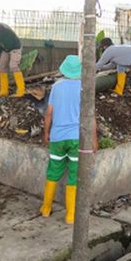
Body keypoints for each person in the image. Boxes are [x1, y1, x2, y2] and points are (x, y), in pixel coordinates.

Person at [39, 55, 97, 225]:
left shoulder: (56, 87)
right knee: (74, 175)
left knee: (53, 173)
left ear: (63, 69)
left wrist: (46, 133)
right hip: (77, 140)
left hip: (57, 138)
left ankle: (46, 208)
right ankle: (70, 215)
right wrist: (94, 140)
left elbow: (48, 113)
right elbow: (91, 116)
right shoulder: (84, 89)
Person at [96, 38, 131, 117]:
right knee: (120, 67)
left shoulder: (109, 51)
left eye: (102, 47)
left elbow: (100, 64)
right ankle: (119, 90)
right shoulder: (115, 50)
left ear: (104, 46)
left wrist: (91, 69)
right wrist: (100, 68)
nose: (102, 48)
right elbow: (111, 65)